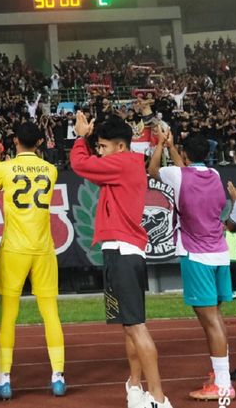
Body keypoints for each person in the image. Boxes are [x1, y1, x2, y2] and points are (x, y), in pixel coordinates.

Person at [70, 113, 172, 408]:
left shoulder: (124, 163)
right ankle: (136, 388)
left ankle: (158, 398)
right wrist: (87, 140)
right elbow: (90, 162)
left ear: (120, 146)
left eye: (102, 146)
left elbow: (80, 164)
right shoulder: (123, 163)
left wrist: (80, 138)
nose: (98, 151)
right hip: (120, 251)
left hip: (124, 252)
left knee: (136, 326)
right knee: (129, 325)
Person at [148, 131, 236, 401]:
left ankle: (222, 384)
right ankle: (218, 374)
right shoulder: (214, 175)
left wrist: (162, 145)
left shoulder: (179, 175)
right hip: (219, 253)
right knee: (216, 318)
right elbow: (186, 170)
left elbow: (153, 171)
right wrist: (175, 148)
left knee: (210, 321)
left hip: (196, 255)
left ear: (185, 155)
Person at [0, 122, 67, 399]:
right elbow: (35, 169)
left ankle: (5, 380)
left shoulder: (4, 168)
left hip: (14, 250)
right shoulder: (50, 170)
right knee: (50, 313)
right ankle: (57, 377)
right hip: (43, 249)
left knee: (8, 315)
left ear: (15, 140)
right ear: (40, 143)